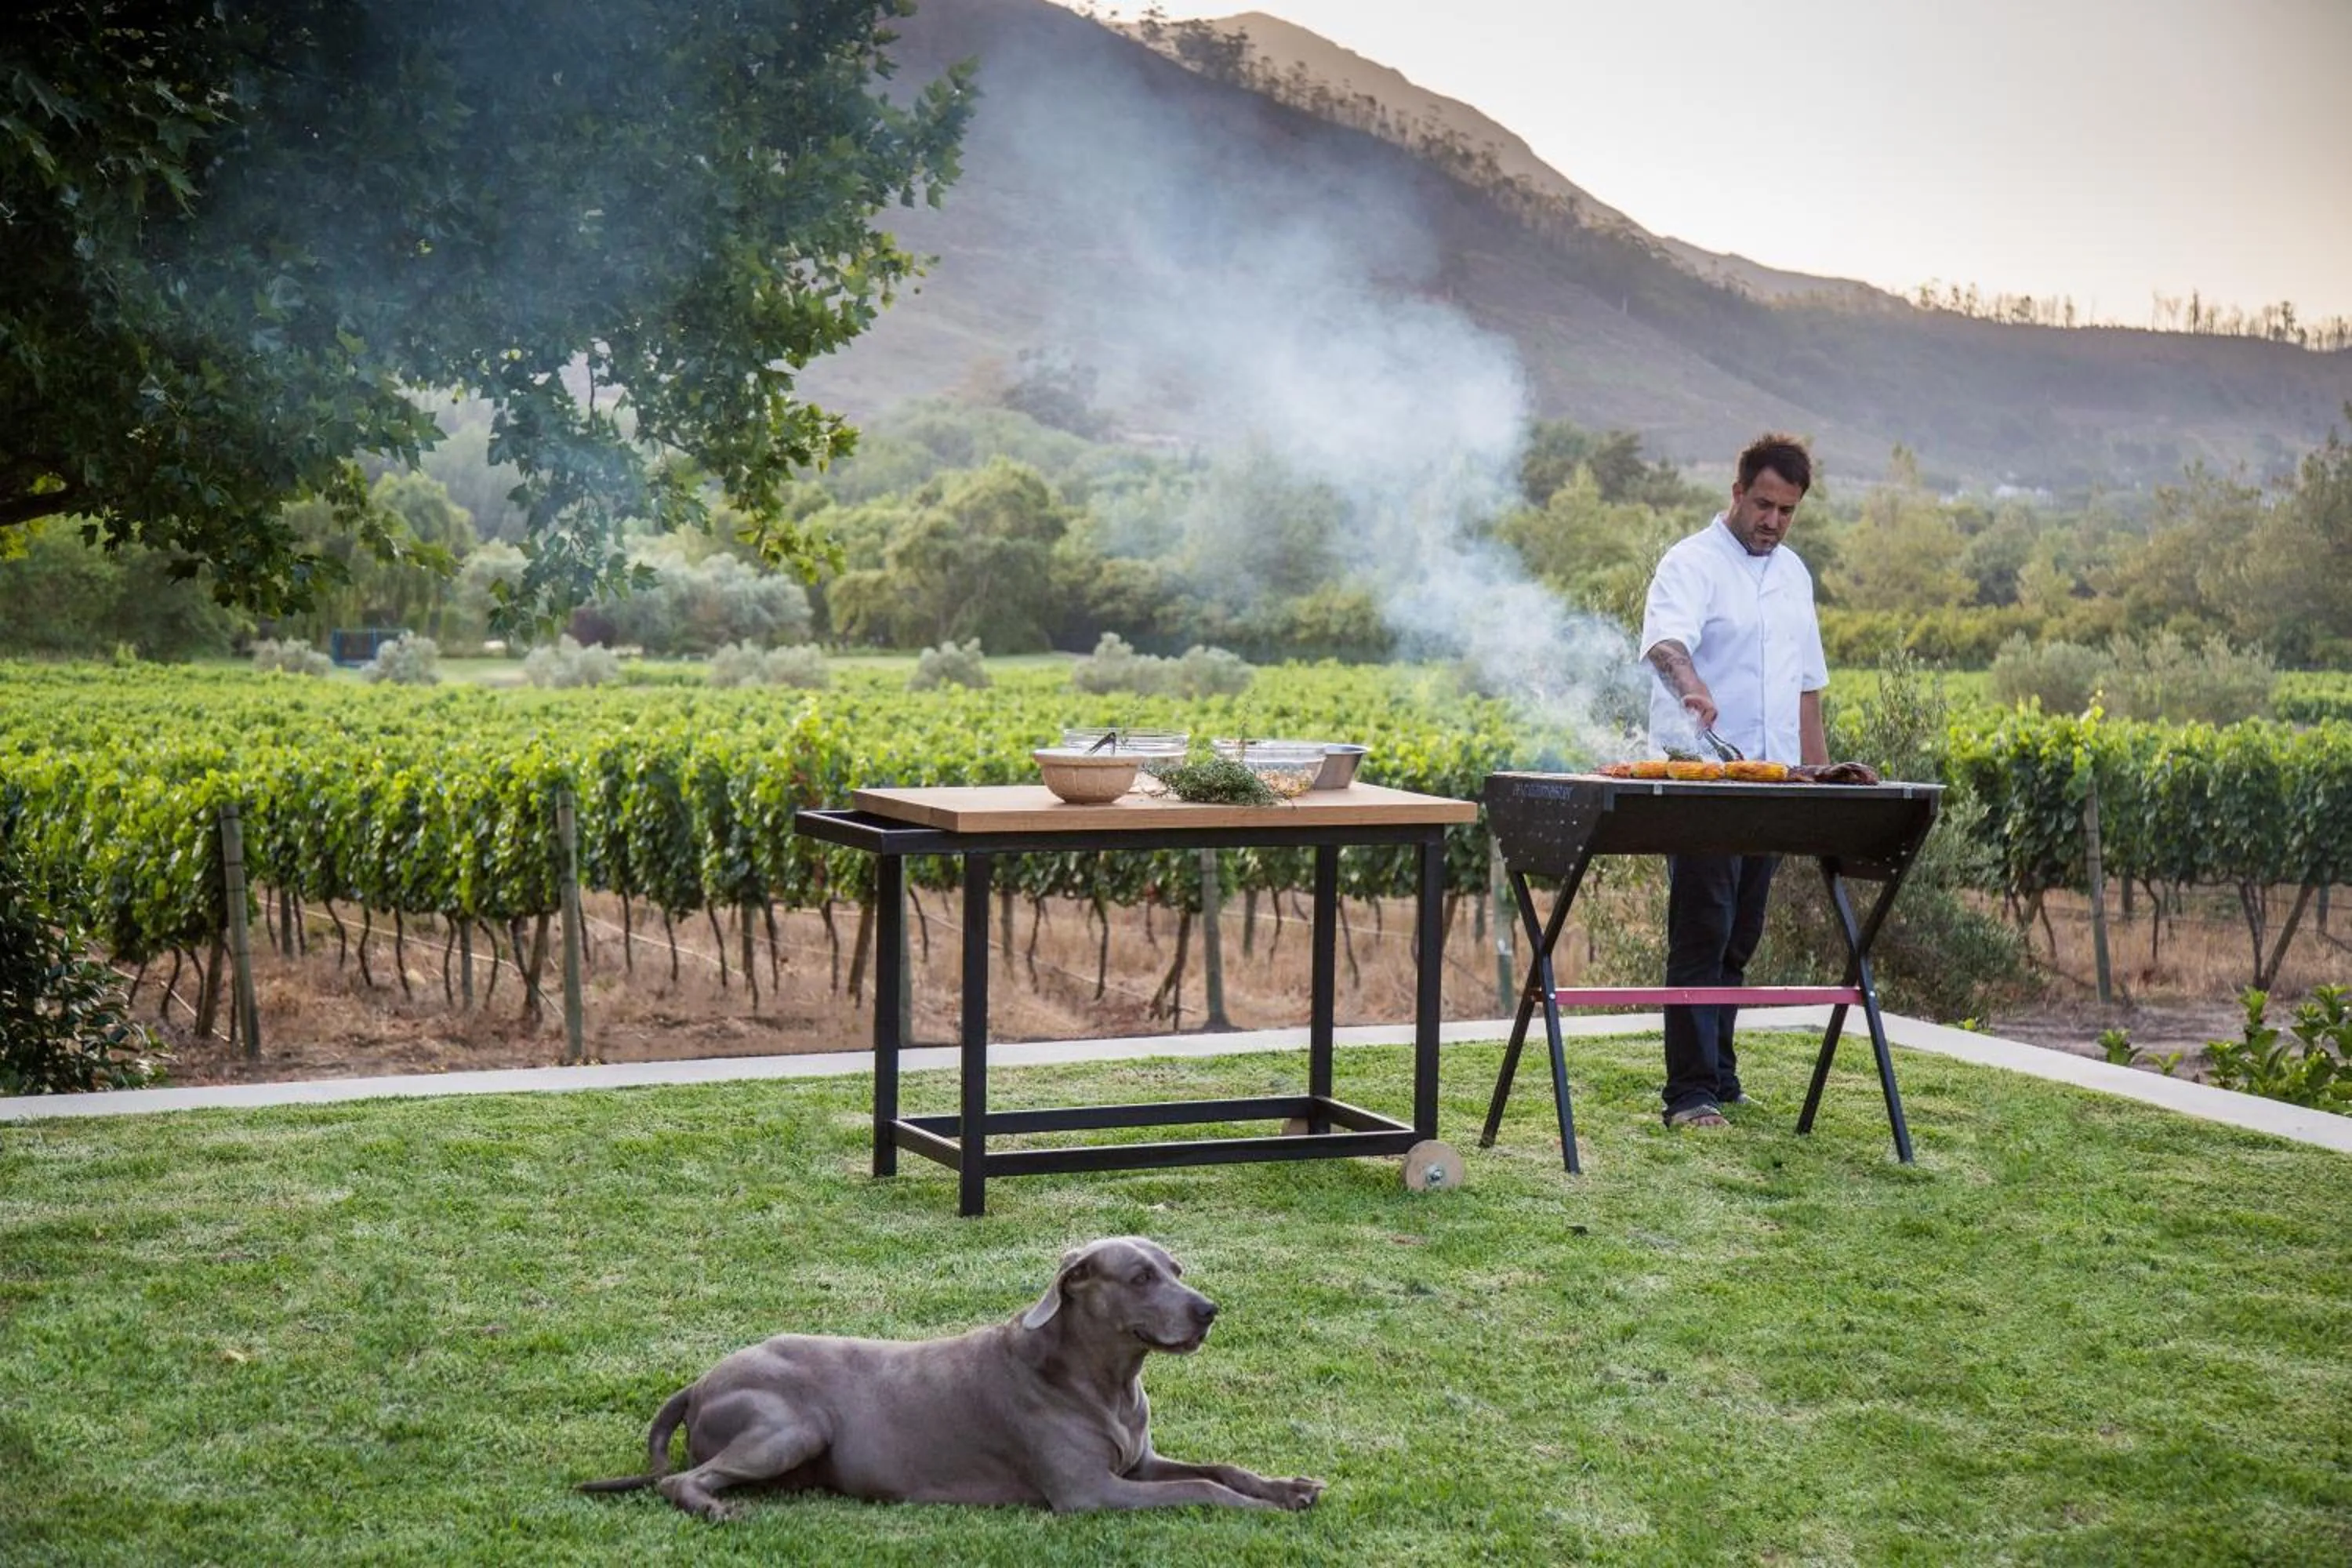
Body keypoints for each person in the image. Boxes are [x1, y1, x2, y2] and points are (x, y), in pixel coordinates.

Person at [1636, 433, 1830, 1129]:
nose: (1772, 521)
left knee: (1740, 936)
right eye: (1763, 505)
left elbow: (1808, 687)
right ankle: (1687, 1094)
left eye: (1787, 511)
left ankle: (1720, 1075)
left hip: (1773, 785)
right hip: (1704, 781)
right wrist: (1693, 690)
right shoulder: (1691, 563)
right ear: (1737, 492)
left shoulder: (1795, 575)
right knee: (1703, 931)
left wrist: (1820, 780)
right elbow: (1665, 645)